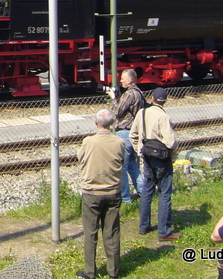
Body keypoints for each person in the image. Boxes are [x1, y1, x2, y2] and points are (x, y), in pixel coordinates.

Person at [76, 108, 125, 279]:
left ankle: (90, 272)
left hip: (92, 192)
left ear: (96, 123)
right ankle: (113, 271)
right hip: (112, 191)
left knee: (90, 233)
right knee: (111, 232)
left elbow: (80, 158)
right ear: (112, 123)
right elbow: (122, 160)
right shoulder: (119, 142)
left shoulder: (88, 142)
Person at [130, 87, 180, 240]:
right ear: (164, 101)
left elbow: (133, 134)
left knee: (147, 189)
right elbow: (170, 142)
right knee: (165, 192)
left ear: (152, 98)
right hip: (162, 159)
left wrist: (139, 149)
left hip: (146, 155)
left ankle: (143, 226)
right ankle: (164, 231)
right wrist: (174, 150)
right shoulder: (163, 117)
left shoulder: (142, 113)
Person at [107, 68, 145, 204]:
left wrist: (113, 99)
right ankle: (144, 193)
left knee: (122, 167)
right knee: (133, 166)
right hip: (134, 132)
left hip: (124, 132)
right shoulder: (139, 93)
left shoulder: (129, 94)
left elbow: (117, 112)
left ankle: (125, 198)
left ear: (129, 80)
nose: (120, 80)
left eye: (122, 78)